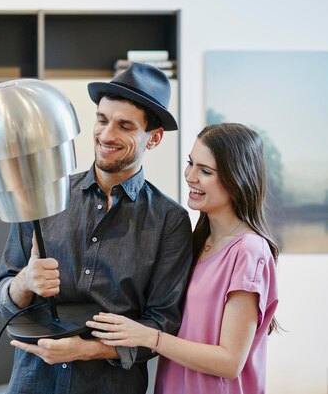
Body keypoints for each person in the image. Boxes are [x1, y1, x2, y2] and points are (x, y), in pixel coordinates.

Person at [0, 62, 194, 394]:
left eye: (125, 126)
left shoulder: (169, 221)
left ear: (154, 138)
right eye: (102, 120)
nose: (107, 135)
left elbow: (161, 327)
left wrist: (85, 350)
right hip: (32, 383)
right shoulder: (43, 197)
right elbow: (4, 298)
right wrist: (25, 281)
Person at [87, 123, 279, 394]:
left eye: (205, 171)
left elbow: (230, 362)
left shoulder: (249, 252)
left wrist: (149, 337)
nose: (190, 176)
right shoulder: (198, 242)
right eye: (191, 163)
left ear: (238, 179)